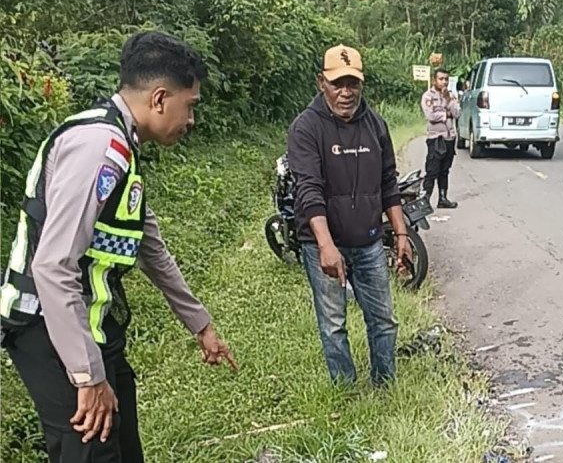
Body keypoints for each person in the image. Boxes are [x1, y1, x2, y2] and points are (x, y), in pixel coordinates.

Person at [0, 30, 238, 462]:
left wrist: (200, 325)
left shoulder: (124, 149)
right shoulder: (99, 149)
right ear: (160, 98)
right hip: (51, 330)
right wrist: (87, 376)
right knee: (92, 452)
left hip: (93, 327)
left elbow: (151, 249)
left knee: (125, 450)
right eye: (191, 106)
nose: (192, 121)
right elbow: (53, 267)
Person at [287, 44, 413, 387]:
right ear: (321, 83)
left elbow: (389, 182)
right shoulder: (306, 128)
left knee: (383, 320)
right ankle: (344, 390)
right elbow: (308, 190)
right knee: (333, 323)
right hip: (323, 246)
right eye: (337, 83)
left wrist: (401, 234)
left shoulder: (376, 125)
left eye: (353, 83)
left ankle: (385, 385)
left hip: (370, 242)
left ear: (362, 84)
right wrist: (326, 246)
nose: (346, 92)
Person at [421, 68, 460, 209]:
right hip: (436, 138)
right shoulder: (428, 96)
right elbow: (430, 116)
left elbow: (457, 113)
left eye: (446, 79)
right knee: (432, 170)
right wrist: (445, 115)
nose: (444, 82)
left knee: (445, 170)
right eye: (441, 79)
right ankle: (425, 199)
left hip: (450, 138)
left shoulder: (451, 96)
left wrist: (449, 101)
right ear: (434, 80)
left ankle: (443, 198)